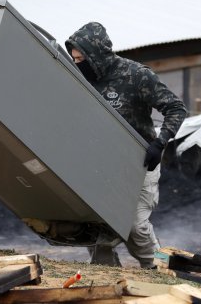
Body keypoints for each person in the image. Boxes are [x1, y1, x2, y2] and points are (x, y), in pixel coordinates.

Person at [65, 22, 187, 268]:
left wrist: (160, 143)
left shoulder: (136, 75)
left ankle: (159, 271)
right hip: (101, 166)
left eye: (81, 59)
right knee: (97, 228)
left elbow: (176, 108)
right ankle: (106, 277)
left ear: (96, 55)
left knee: (135, 228)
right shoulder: (79, 79)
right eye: (74, 60)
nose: (77, 65)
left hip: (140, 162)